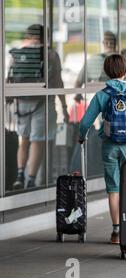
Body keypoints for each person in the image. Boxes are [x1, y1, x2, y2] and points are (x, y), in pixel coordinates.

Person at [78, 54, 126, 245]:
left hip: (109, 145)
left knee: (113, 188)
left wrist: (81, 136)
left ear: (107, 73)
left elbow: (86, 121)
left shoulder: (102, 95)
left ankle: (116, 231)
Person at [8, 24, 69, 190]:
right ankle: (31, 179)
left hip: (21, 103)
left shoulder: (19, 53)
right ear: (46, 37)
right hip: (42, 103)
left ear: (29, 36)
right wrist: (64, 106)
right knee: (38, 141)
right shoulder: (51, 54)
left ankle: (20, 174)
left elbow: (10, 78)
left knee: (24, 140)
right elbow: (58, 82)